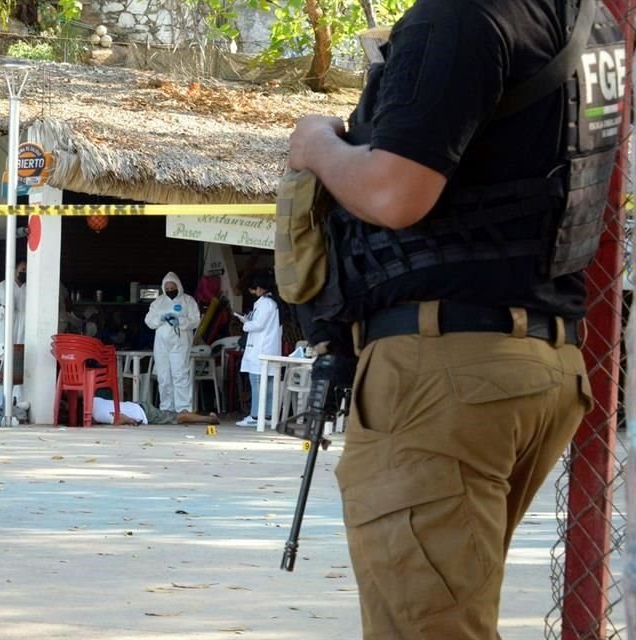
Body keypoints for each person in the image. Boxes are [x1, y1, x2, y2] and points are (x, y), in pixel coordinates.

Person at [287, 1, 622, 637]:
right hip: (536, 364)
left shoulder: (460, 16)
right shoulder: (588, 19)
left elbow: (395, 191)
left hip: (444, 373)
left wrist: (319, 147)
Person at [144, 272, 201, 412]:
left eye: (172, 287)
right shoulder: (158, 302)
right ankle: (166, 408)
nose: (170, 291)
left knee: (180, 375)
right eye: (167, 288)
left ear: (178, 286)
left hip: (180, 343)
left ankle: (183, 409)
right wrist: (161, 319)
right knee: (164, 377)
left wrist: (180, 321)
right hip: (161, 344)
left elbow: (195, 321)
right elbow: (149, 321)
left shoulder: (188, 301)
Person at [235, 273, 283, 427]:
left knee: (257, 383)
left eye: (253, 290)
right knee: (267, 385)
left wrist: (245, 323)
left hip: (261, 349)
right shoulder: (273, 303)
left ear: (260, 289)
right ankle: (267, 415)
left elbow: (258, 325)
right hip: (267, 348)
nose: (252, 293)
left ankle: (255, 416)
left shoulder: (265, 304)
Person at [91, 395, 218, 426]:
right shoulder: (94, 399)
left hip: (143, 413)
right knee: (173, 415)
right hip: (137, 405)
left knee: (178, 418)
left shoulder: (97, 414)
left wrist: (131, 421)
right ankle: (188, 413)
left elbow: (120, 417)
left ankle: (209, 419)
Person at [0, 258, 26, 349]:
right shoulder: (1, 287)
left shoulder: (31, 287)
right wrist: (5, 310)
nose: (25, 272)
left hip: (25, 329)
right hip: (7, 329)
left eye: (27, 270)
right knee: (5, 357)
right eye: (23, 269)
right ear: (15, 270)